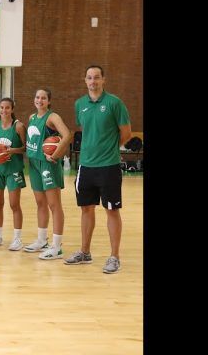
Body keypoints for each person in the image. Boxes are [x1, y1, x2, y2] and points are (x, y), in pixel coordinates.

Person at [65, 65, 131, 274]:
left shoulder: (114, 103)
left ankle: (114, 257)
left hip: (108, 166)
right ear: (85, 80)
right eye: (89, 78)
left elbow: (126, 133)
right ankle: (85, 252)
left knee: (111, 210)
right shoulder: (80, 104)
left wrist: (109, 149)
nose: (93, 81)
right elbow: (86, 129)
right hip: (86, 166)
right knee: (86, 209)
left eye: (96, 77)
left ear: (103, 80)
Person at [23, 88, 72, 260]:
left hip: (47, 164)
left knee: (54, 204)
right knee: (40, 203)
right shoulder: (32, 117)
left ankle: (57, 247)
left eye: (43, 98)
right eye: (37, 97)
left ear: (49, 101)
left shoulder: (53, 117)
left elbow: (67, 136)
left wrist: (56, 154)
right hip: (33, 163)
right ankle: (42, 240)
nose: (40, 100)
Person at [0, 98, 27, 250]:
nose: (4, 110)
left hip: (13, 169)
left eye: (7, 108)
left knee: (14, 204)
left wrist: (12, 150)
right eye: (2, 108)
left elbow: (26, 148)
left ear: (12, 109)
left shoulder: (18, 126)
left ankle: (17, 239)